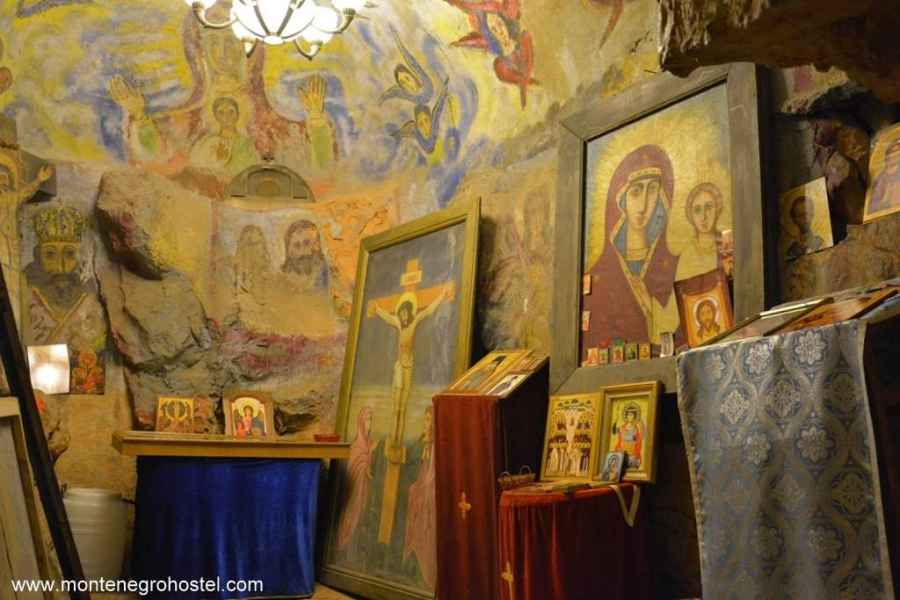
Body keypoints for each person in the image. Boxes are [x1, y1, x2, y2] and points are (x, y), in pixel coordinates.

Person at [583, 145, 681, 352]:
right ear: (621, 198)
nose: (644, 204)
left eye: (652, 189)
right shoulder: (597, 279)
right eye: (636, 192)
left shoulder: (675, 267)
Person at [403, 407, 437, 588]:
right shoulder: (417, 445)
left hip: (428, 504)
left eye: (431, 420)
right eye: (426, 420)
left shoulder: (437, 448)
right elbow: (409, 472)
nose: (428, 425)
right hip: (415, 500)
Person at [337, 407, 377, 550]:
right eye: (367, 420)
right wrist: (368, 456)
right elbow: (355, 468)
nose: (369, 424)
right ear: (360, 423)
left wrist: (371, 453)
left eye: (371, 420)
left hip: (364, 489)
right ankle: (346, 543)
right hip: (355, 491)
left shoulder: (369, 444)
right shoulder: (356, 446)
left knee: (362, 515)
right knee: (352, 514)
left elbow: (371, 472)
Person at [676, 182, 725, 282]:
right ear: (691, 216)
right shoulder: (687, 255)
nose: (703, 217)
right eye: (697, 210)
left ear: (717, 209)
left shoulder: (726, 245)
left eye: (708, 207)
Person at [785, 195, 824, 260]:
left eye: (807, 214)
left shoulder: (820, 243)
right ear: (794, 219)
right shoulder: (792, 251)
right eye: (800, 215)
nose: (805, 219)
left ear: (812, 214)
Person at [868, 139, 900, 215]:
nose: (894, 155)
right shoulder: (880, 178)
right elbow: (874, 202)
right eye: (892, 152)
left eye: (897, 153)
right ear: (887, 156)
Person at [613, 403, 644, 468]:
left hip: (632, 455)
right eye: (628, 415)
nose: (630, 417)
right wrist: (616, 418)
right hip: (622, 454)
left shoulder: (636, 429)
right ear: (626, 416)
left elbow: (638, 442)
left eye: (631, 415)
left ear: (634, 416)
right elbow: (616, 436)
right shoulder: (622, 428)